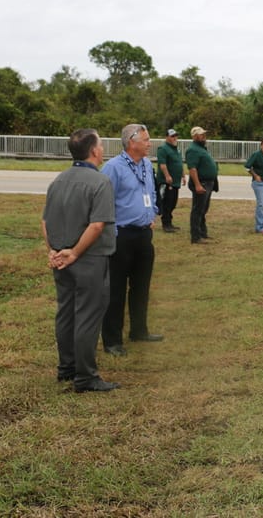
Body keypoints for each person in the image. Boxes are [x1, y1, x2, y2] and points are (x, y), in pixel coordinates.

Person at [42, 129, 119, 392]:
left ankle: (66, 367)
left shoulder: (59, 180)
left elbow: (44, 222)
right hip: (88, 258)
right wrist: (74, 252)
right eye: (101, 144)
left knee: (66, 312)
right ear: (95, 151)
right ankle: (85, 377)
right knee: (87, 315)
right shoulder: (100, 182)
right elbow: (97, 225)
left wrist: (54, 250)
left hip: (62, 258)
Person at [101, 124, 162, 357]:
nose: (149, 143)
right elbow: (104, 201)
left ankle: (139, 330)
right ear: (131, 142)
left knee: (141, 286)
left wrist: (152, 211)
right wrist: (111, 231)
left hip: (143, 234)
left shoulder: (146, 164)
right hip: (121, 235)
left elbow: (151, 191)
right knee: (116, 290)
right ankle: (112, 340)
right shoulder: (113, 168)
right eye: (146, 140)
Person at [186, 126, 218, 245]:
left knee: (203, 210)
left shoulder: (201, 149)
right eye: (201, 134)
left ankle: (203, 233)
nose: (204, 136)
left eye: (204, 134)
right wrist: (198, 185)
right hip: (201, 183)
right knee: (197, 210)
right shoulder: (193, 150)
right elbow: (192, 169)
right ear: (194, 137)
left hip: (208, 183)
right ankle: (195, 236)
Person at [156, 128, 186, 232]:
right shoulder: (163, 149)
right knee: (167, 203)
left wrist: (183, 175)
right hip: (167, 182)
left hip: (176, 181)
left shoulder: (176, 149)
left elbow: (179, 163)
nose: (174, 138)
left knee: (173, 202)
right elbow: (162, 165)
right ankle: (166, 224)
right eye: (172, 136)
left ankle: (170, 222)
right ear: (167, 137)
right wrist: (167, 176)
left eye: (176, 136)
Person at [245, 137, 263, 234]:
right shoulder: (256, 155)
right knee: (261, 203)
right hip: (259, 183)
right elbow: (247, 166)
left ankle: (262, 223)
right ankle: (259, 227)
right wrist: (255, 175)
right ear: (261, 145)